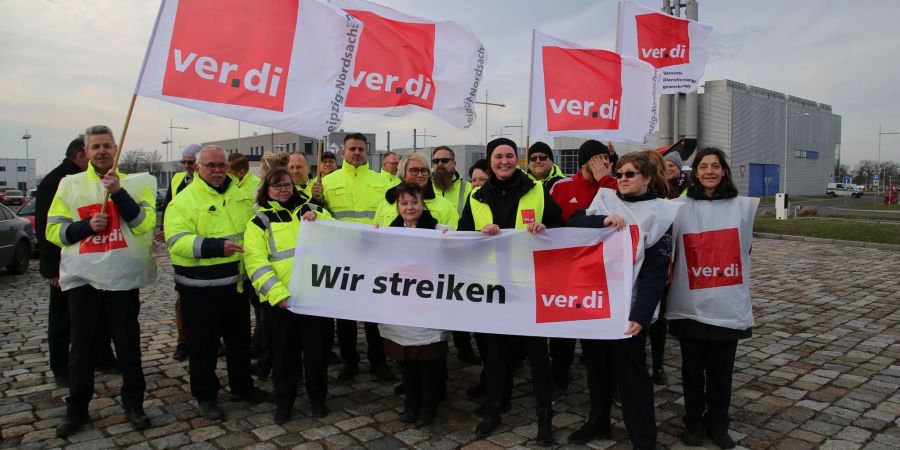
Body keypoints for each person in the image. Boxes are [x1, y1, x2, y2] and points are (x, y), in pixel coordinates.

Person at [47, 125, 157, 437]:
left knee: (128, 347)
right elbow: (53, 230)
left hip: (121, 280)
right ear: (86, 151)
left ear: (116, 147)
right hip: (83, 281)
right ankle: (77, 410)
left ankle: (134, 405)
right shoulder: (69, 185)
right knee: (81, 349)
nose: (102, 151)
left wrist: (119, 193)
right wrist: (85, 226)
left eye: (107, 145)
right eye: (95, 146)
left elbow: (143, 223)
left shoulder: (138, 182)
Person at [566, 152, 678, 450]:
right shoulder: (605, 198)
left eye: (630, 174)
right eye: (620, 174)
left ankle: (643, 436)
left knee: (632, 376)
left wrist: (640, 316)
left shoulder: (661, 213)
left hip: (628, 309)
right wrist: (600, 220)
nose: (623, 179)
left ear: (647, 178)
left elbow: (656, 271)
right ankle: (598, 421)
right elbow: (575, 222)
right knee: (596, 369)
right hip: (595, 304)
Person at [458, 137, 565, 445]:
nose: (503, 161)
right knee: (496, 357)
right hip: (493, 288)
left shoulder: (538, 191)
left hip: (530, 286)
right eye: (497, 156)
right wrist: (479, 234)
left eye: (509, 155)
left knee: (537, 357)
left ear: (516, 159)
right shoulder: (477, 196)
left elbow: (562, 230)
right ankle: (494, 411)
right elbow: (463, 237)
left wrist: (546, 230)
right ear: (490, 161)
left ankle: (545, 418)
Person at [165, 145, 269, 421]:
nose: (218, 170)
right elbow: (175, 240)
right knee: (203, 347)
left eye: (222, 165)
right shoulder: (184, 201)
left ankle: (242, 388)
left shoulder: (241, 195)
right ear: (199, 167)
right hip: (199, 289)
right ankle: (205, 395)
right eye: (211, 165)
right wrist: (214, 247)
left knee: (239, 343)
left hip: (235, 286)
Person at [666, 147, 757, 449]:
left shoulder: (741, 207)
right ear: (695, 172)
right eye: (703, 166)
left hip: (725, 306)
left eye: (715, 166)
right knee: (692, 372)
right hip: (690, 306)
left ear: (724, 171)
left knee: (721, 374)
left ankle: (718, 423)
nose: (709, 171)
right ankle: (693, 422)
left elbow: (746, 249)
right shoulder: (678, 207)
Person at [244, 168, 332, 423]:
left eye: (287, 185)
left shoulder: (312, 211)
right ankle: (285, 402)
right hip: (281, 303)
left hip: (313, 297)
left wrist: (321, 218)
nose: (284, 189)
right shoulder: (259, 222)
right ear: (267, 190)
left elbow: (337, 234)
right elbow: (256, 264)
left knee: (316, 355)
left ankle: (318, 399)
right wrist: (277, 294)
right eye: (277, 185)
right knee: (284, 357)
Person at [313, 133, 395, 383]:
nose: (357, 153)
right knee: (345, 316)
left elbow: (393, 215)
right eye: (352, 149)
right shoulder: (325, 181)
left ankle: (378, 362)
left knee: (374, 315)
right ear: (343, 153)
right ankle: (350, 362)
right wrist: (314, 199)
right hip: (342, 257)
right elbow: (315, 216)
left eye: (361, 148)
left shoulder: (383, 182)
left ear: (367, 152)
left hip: (374, 256)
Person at [36, 135, 117, 388]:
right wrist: (51, 270)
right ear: (81, 155)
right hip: (64, 264)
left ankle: (103, 358)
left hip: (91, 261)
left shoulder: (93, 180)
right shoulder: (59, 181)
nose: (99, 154)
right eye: (93, 149)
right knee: (62, 320)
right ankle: (61, 368)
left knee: (99, 315)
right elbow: (45, 228)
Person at [378, 182, 451, 427]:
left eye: (414, 202)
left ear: (423, 204)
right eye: (404, 203)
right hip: (400, 309)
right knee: (405, 360)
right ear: (398, 207)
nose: (410, 207)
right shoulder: (389, 233)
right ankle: (411, 404)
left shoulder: (439, 231)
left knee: (428, 362)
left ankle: (428, 408)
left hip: (428, 309)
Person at [156, 143, 202, 361]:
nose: (186, 166)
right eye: (183, 161)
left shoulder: (213, 180)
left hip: (209, 249)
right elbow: (168, 206)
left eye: (190, 162)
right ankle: (183, 341)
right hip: (184, 252)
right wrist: (164, 229)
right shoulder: (177, 180)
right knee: (183, 299)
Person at [375, 153, 458, 228]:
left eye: (423, 170)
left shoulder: (446, 207)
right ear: (403, 174)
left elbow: (453, 240)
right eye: (414, 170)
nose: (420, 175)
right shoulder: (386, 204)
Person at [431, 146, 472, 217]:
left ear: (454, 164)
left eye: (444, 160)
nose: (440, 164)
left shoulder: (468, 188)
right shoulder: (424, 187)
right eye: (436, 161)